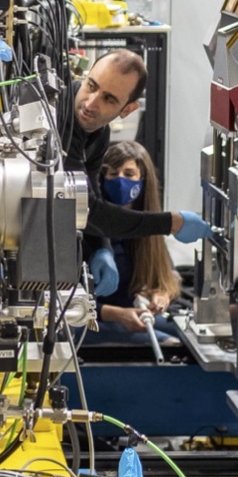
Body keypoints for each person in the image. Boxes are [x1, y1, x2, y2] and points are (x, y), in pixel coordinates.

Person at [62, 49, 210, 298]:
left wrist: (102, 246)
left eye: (108, 99)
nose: (90, 103)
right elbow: (89, 211)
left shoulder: (98, 134)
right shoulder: (62, 120)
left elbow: (90, 195)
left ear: (127, 109)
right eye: (91, 86)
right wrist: (171, 223)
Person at [86, 142, 186, 345]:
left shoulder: (148, 229)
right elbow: (67, 304)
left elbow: (171, 276)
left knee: (187, 334)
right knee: (166, 343)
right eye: (113, 174)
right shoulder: (90, 228)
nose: (120, 180)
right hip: (96, 320)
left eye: (129, 174)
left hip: (135, 313)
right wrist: (118, 315)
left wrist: (163, 295)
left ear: (143, 180)